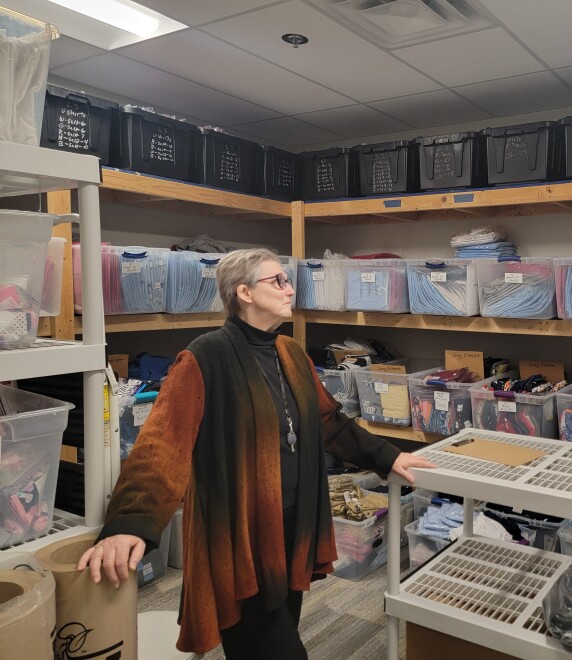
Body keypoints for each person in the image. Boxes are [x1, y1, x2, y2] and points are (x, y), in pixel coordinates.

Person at [77, 248, 435, 659]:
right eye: (277, 281)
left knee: (270, 638)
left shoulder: (291, 353)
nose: (289, 288)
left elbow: (328, 422)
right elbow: (161, 445)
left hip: (291, 528)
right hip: (240, 538)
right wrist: (129, 522)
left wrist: (389, 457)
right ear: (244, 292)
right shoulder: (204, 356)